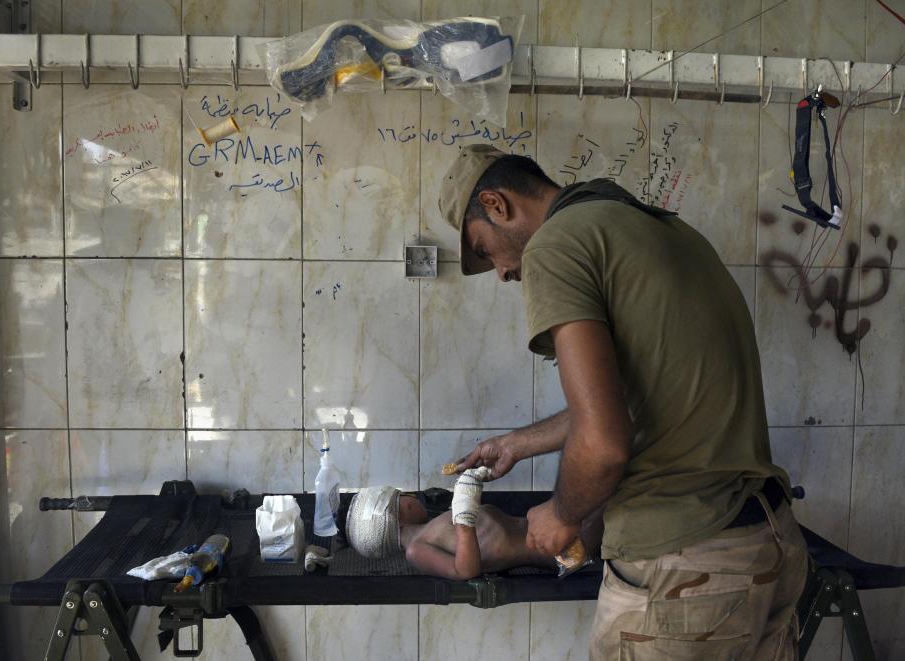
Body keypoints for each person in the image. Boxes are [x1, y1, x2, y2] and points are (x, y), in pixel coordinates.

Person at [438, 144, 809, 660]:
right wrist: (518, 443)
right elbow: (647, 394)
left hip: (684, 566)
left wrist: (561, 514)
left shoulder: (556, 246)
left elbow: (605, 442)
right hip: (768, 541)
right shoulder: (665, 230)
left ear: (497, 205)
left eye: (484, 250)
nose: (499, 272)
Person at [343, 469, 603, 580]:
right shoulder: (416, 550)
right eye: (403, 497)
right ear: (400, 514)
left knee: (607, 490)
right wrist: (464, 517)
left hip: (557, 532)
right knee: (617, 495)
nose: (411, 497)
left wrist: (475, 481)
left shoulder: (435, 525)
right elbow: (464, 571)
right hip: (564, 552)